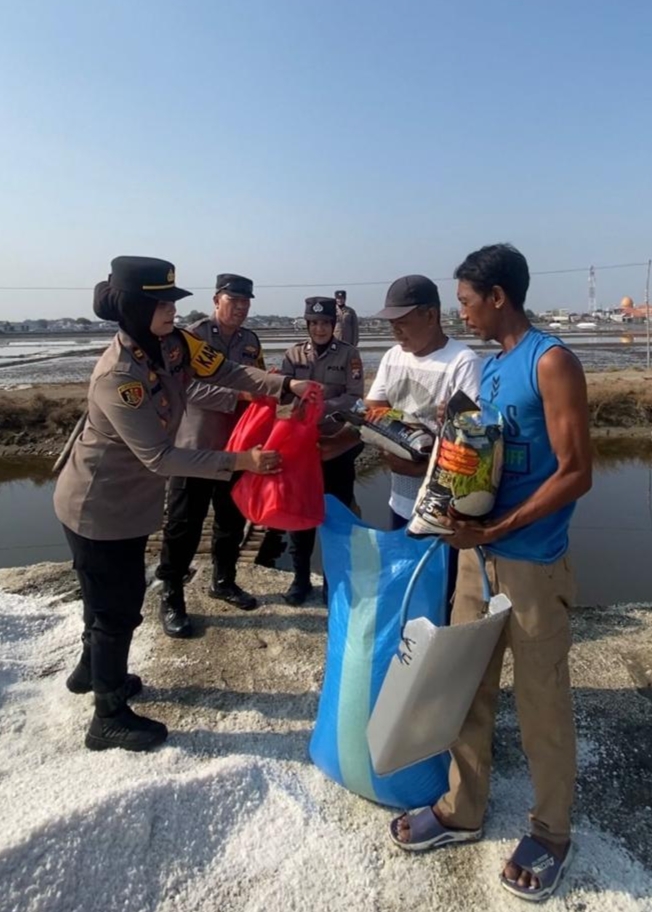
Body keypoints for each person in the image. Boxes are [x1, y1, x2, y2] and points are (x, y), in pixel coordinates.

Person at [388, 245, 592, 903]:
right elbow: (476, 454)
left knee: (541, 705)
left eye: (468, 301)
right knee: (465, 689)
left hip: (531, 566)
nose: (463, 313)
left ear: (497, 296)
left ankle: (552, 832)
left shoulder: (550, 360)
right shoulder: (495, 369)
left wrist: (499, 530)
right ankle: (462, 809)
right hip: (476, 560)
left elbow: (576, 471)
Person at [54, 256, 312, 753]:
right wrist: (243, 461)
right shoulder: (119, 374)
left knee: (108, 597)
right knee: (118, 608)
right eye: (161, 302)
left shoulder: (174, 344)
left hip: (124, 506)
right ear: (134, 308)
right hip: (99, 506)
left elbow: (231, 371)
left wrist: (285, 385)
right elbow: (160, 455)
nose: (172, 310)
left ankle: (92, 672)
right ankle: (106, 716)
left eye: (173, 301)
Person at [156, 273, 269, 637]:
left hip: (237, 449)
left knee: (230, 521)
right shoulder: (191, 337)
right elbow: (184, 388)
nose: (240, 307)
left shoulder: (251, 341)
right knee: (183, 525)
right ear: (216, 299)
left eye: (246, 302)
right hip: (195, 448)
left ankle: (224, 580)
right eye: (233, 300)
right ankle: (171, 595)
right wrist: (237, 396)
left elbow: (260, 381)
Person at [367, 275, 481, 529]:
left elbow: (474, 443)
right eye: (392, 323)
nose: (395, 330)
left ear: (431, 315)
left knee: (442, 570)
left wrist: (423, 465)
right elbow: (372, 412)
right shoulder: (392, 357)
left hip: (444, 509)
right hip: (400, 501)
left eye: (403, 322)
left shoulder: (462, 362)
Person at [280, 296, 364, 605]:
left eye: (325, 323)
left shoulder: (349, 355)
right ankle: (300, 580)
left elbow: (355, 397)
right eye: (314, 323)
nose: (319, 328)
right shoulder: (292, 355)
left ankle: (334, 581)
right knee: (299, 516)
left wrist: (318, 406)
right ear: (307, 324)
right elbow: (283, 397)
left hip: (335, 446)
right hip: (301, 452)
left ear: (333, 325)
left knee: (336, 516)